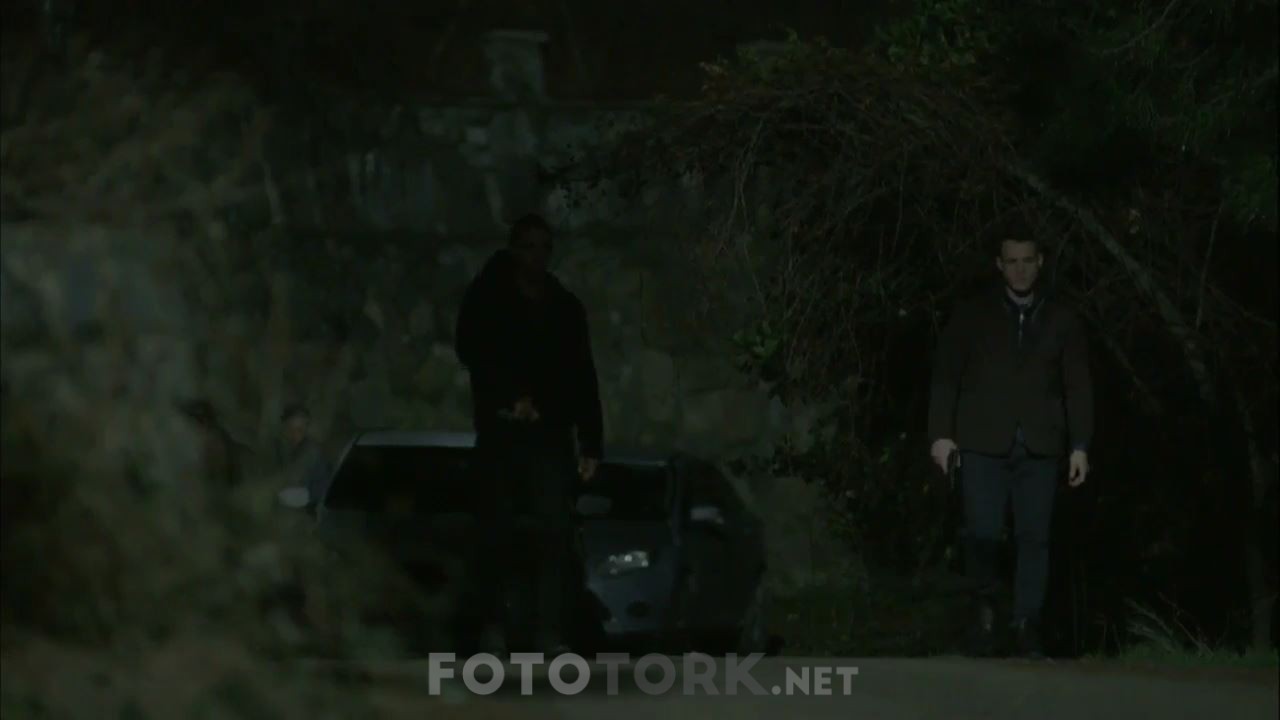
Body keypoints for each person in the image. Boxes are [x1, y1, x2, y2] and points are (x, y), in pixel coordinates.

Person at [927, 229, 1094, 659]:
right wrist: (941, 435)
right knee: (982, 532)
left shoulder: (1061, 320)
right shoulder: (972, 316)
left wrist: (1080, 445)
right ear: (999, 265)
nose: (1020, 270)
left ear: (1040, 263)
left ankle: (1026, 623)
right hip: (982, 441)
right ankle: (985, 612)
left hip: (1040, 445)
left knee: (1034, 537)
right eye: (1012, 262)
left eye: (1027, 261)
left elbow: (1077, 385)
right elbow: (946, 377)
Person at [454, 212, 604, 655]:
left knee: (554, 534)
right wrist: (508, 397)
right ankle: (494, 629)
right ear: (514, 250)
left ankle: (549, 631)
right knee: (496, 535)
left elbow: (582, 374)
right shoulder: (488, 298)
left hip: (550, 435)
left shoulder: (564, 307)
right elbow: (473, 349)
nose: (537, 257)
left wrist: (591, 441)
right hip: (502, 433)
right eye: (529, 247)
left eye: (544, 248)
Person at [274, 403, 333, 514]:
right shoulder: (279, 449)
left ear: (306, 429)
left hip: (309, 511)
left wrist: (305, 496)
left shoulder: (314, 453)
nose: (294, 435)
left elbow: (324, 487)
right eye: (290, 429)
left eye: (300, 430)